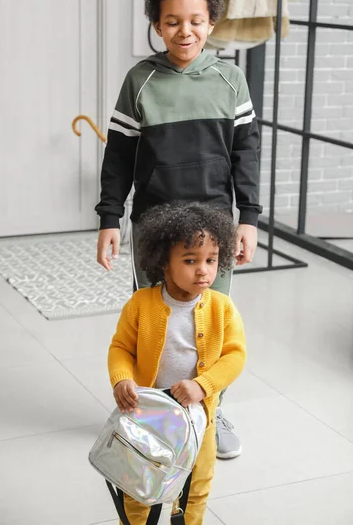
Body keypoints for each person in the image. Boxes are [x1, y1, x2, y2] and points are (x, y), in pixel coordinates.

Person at [96, 0, 261, 459]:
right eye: (172, 22)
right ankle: (148, 410)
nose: (184, 31)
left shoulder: (231, 81)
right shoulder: (140, 80)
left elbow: (246, 153)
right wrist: (108, 218)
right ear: (156, 25)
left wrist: (248, 217)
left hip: (213, 229)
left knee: (209, 323)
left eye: (195, 20)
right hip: (154, 227)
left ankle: (209, 406)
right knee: (156, 323)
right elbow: (119, 153)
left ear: (212, 22)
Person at [108, 202, 246, 525]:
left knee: (196, 488)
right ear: (163, 263)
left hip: (200, 420)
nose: (203, 270)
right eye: (190, 260)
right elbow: (120, 348)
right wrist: (121, 378)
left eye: (211, 260)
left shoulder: (222, 308)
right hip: (149, 418)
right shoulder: (141, 304)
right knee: (138, 485)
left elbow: (236, 355)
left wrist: (203, 386)